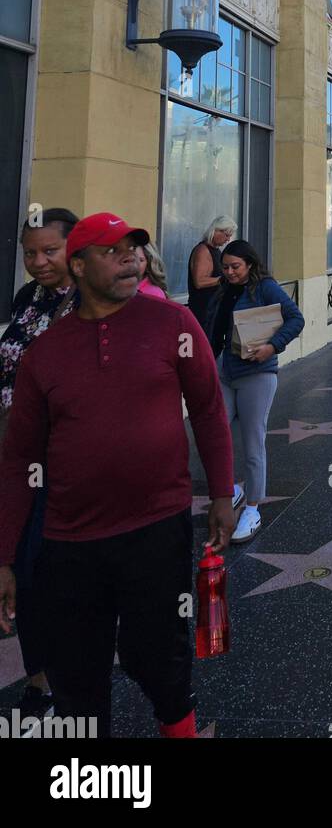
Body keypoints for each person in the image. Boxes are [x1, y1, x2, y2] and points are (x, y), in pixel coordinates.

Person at [0, 212, 235, 739]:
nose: (129, 257)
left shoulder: (173, 325)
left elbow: (208, 409)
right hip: (70, 539)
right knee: (76, 674)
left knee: (159, 657)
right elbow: (18, 459)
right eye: (111, 250)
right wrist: (5, 554)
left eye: (133, 248)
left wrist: (222, 493)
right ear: (78, 266)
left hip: (158, 527)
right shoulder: (47, 352)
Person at [0, 207, 79, 719]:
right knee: (22, 569)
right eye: (30, 252)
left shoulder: (96, 302)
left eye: (50, 250)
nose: (38, 261)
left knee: (63, 571)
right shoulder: (28, 298)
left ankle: (73, 676)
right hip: (16, 454)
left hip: (69, 462)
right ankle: (40, 681)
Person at [207, 240, 305, 544]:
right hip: (225, 370)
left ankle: (253, 507)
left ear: (250, 264)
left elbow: (296, 318)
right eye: (225, 267)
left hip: (257, 374)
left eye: (235, 266)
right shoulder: (224, 289)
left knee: (253, 442)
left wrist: (272, 347)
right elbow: (214, 328)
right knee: (215, 435)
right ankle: (232, 490)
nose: (230, 272)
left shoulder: (265, 287)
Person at [186, 215, 237, 325]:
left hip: (212, 310)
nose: (228, 240)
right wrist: (223, 279)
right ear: (216, 231)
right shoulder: (203, 251)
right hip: (202, 312)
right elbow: (199, 282)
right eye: (227, 235)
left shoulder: (216, 251)